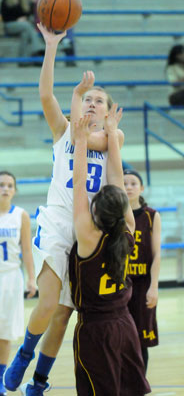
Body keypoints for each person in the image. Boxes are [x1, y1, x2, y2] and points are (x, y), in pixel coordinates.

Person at [4, 22, 124, 396]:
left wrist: (97, 128)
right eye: (87, 98)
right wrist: (52, 45)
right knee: (48, 301)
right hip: (58, 224)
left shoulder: (111, 140)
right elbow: (44, 94)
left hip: (90, 231)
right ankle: (22, 357)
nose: (91, 103)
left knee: (63, 314)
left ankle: (39, 382)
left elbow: (108, 137)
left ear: (108, 113)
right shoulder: (63, 133)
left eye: (98, 101)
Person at [67, 111, 151, 395]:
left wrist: (80, 142)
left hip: (96, 330)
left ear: (96, 212)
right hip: (125, 325)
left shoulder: (88, 238)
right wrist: (112, 136)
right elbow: (116, 180)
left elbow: (79, 184)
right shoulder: (128, 230)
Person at [0, 171, 36, 396]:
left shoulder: (20, 215)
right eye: (1, 184)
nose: (5, 188)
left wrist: (32, 278)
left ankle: (0, 380)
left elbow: (26, 249)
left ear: (15, 190)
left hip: (11, 278)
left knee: (5, 332)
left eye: (9, 185)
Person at [124, 169, 161, 372]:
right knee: (120, 339)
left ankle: (138, 387)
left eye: (133, 183)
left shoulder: (151, 216)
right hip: (119, 285)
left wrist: (154, 287)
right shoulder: (114, 214)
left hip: (143, 285)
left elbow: (157, 255)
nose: (129, 187)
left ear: (141, 188)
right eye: (124, 183)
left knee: (141, 341)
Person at [1, 0, 44, 66]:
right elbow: (5, 18)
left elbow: (29, 13)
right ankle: (38, 48)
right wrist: (17, 20)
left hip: (23, 27)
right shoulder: (5, 1)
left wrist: (32, 2)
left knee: (25, 34)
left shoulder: (23, 0)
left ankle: (22, 60)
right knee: (27, 26)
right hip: (9, 26)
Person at [35, 0, 76, 66]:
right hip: (44, 25)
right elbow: (39, 16)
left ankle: (68, 47)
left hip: (57, 25)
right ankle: (50, 58)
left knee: (68, 23)